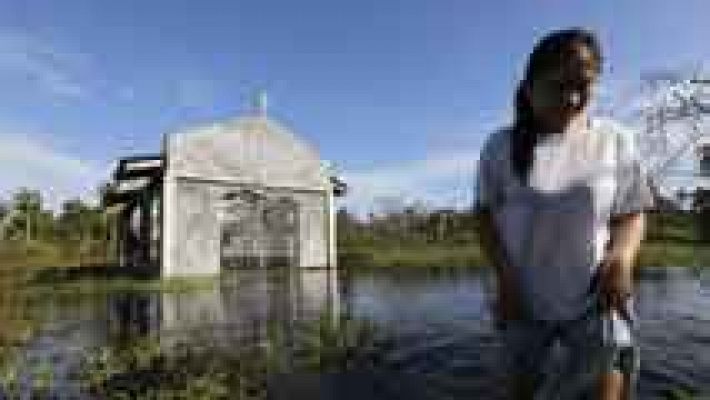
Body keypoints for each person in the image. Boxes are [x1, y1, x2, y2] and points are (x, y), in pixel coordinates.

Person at [475, 28, 654, 399]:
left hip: (596, 296)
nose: (573, 99)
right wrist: (505, 278)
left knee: (609, 377)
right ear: (529, 87)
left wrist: (621, 256)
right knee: (517, 388)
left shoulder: (616, 140)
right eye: (558, 86)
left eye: (583, 86)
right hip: (521, 297)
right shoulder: (499, 146)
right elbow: (484, 218)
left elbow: (632, 211)